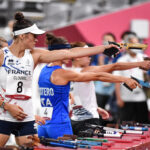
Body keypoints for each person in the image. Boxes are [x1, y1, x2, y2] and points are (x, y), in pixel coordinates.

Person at [0, 11, 121, 146]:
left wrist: (103, 48)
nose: (36, 39)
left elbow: (69, 53)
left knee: (30, 145)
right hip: (5, 111)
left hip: (25, 114)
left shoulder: (35, 55)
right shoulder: (2, 56)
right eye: (33, 36)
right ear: (22, 36)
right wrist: (7, 106)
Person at [37, 37, 143, 139]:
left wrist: (95, 108)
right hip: (60, 125)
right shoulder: (63, 73)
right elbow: (99, 75)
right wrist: (125, 79)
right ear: (59, 52)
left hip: (44, 125)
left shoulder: (44, 71)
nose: (69, 55)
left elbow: (67, 97)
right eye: (67, 51)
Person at [69, 41, 150, 135]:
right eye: (86, 53)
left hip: (75, 121)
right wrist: (139, 64)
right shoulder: (84, 71)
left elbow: (75, 97)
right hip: (88, 122)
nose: (90, 56)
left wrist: (95, 107)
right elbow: (115, 66)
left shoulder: (68, 73)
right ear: (77, 57)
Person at [114, 34, 149, 123]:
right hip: (126, 98)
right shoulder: (121, 60)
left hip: (142, 98)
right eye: (132, 43)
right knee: (125, 123)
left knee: (143, 123)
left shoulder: (144, 58)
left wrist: (146, 75)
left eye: (137, 43)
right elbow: (117, 80)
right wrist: (119, 98)